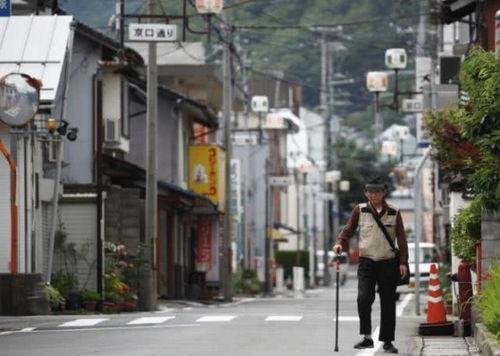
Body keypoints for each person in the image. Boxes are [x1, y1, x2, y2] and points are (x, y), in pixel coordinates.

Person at [332, 176, 408, 354]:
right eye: (370, 192)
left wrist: (403, 262)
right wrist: (339, 244)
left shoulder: (394, 212)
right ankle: (367, 337)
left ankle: (387, 341)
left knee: (388, 302)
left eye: (377, 191)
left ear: (383, 193)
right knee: (364, 298)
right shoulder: (360, 210)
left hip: (388, 262)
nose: (373, 195)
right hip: (366, 262)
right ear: (366, 193)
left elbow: (402, 239)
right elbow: (348, 230)